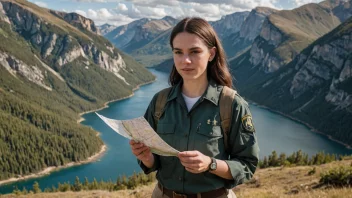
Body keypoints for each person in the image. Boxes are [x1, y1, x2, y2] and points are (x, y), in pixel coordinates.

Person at [129, 17, 259, 198]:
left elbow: (247, 165)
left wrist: (210, 164)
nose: (185, 60)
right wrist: (146, 158)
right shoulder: (160, 102)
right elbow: (155, 162)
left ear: (211, 54)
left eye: (194, 51)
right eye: (178, 52)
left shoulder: (232, 104)